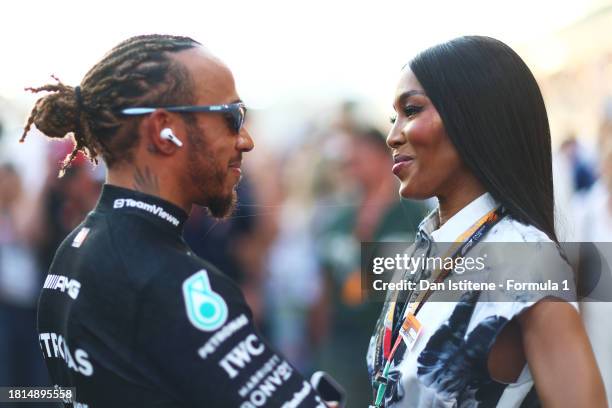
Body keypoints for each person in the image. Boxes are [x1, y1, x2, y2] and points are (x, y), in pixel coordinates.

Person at [22, 34, 331, 407]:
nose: (246, 140)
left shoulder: (72, 252)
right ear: (163, 132)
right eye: (232, 117)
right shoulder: (172, 283)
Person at [366, 36, 607, 407]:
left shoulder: (524, 256)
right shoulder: (426, 247)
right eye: (393, 117)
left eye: (412, 110)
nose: (393, 135)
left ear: (473, 118)